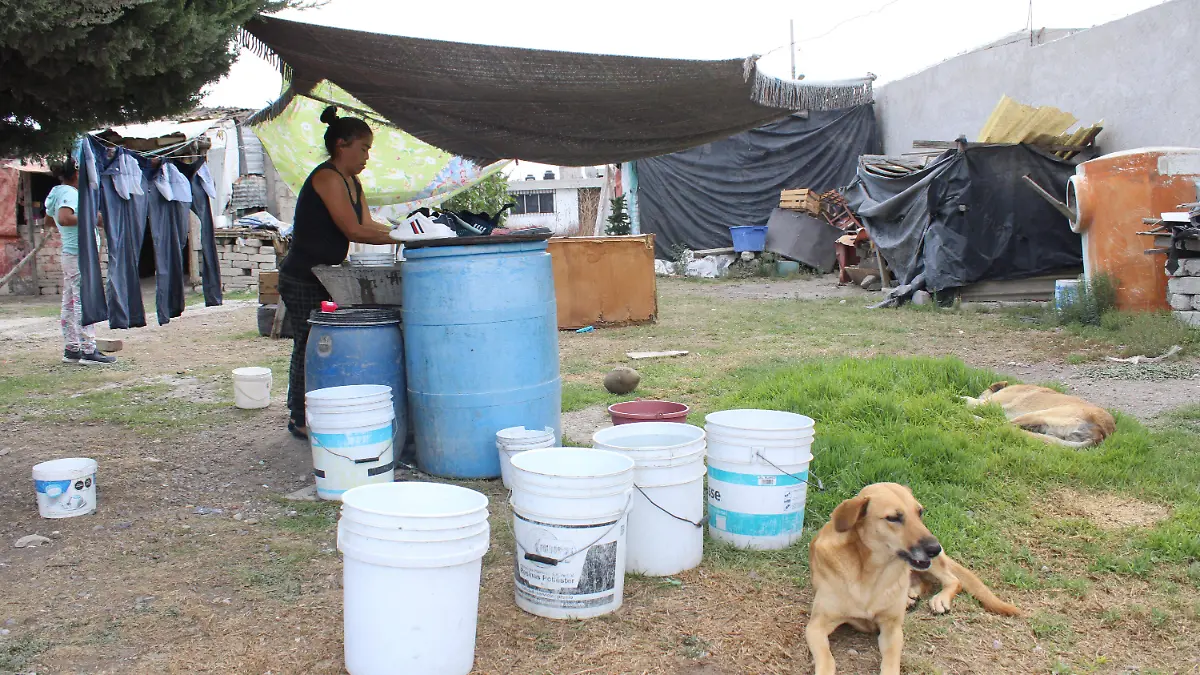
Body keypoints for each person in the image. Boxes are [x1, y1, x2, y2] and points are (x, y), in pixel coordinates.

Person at [278, 106, 396, 439]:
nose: (367, 157)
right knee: (309, 344)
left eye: (369, 149)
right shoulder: (327, 177)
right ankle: (299, 417)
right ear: (341, 145)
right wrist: (402, 236)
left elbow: (369, 223)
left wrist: (404, 230)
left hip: (324, 275)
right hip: (302, 274)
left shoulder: (351, 180)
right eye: (363, 148)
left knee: (320, 344)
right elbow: (354, 230)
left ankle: (316, 410)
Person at [45, 160, 116, 366]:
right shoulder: (70, 193)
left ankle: (72, 348)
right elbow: (64, 218)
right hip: (79, 254)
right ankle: (88, 349)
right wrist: (91, 217)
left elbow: (50, 220)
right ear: (76, 174)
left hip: (71, 253)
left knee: (69, 302)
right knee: (83, 301)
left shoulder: (56, 192)